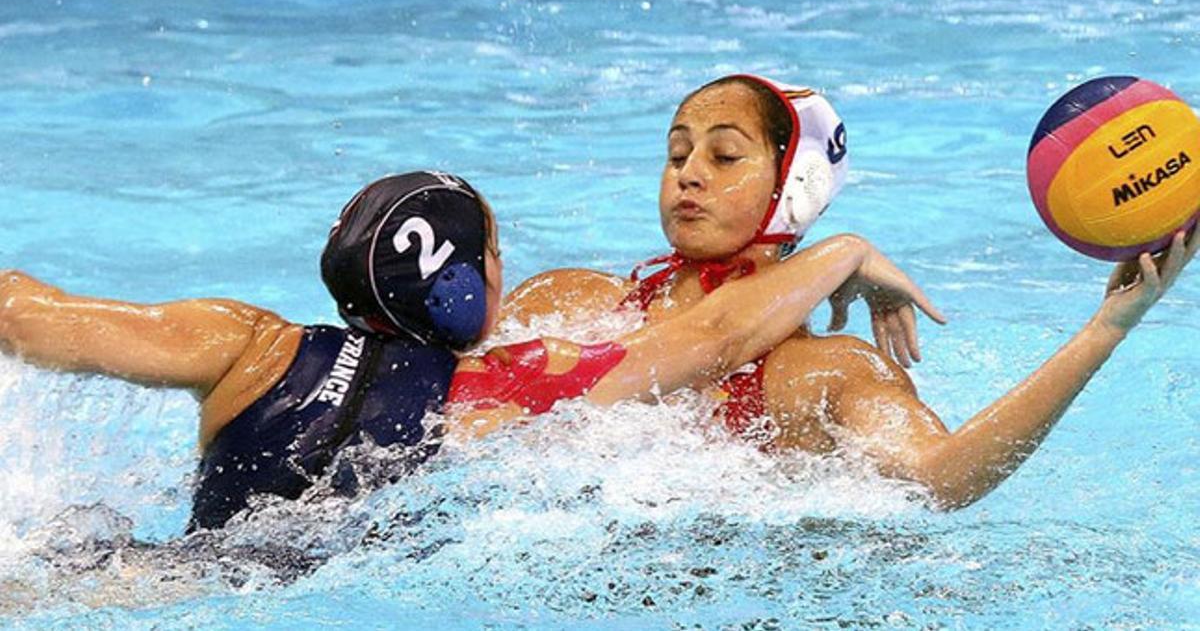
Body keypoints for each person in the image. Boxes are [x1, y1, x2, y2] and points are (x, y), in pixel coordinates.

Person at [0, 170, 933, 530]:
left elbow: (27, 316)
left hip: (146, 580)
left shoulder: (248, 343)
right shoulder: (498, 392)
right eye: (491, 251)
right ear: (454, 285)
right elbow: (714, 338)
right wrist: (843, 251)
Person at [501, 74, 1199, 509]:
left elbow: (941, 479)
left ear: (793, 184)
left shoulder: (826, 373)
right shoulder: (568, 297)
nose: (688, 174)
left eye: (724, 155)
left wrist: (1107, 327)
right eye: (677, 152)